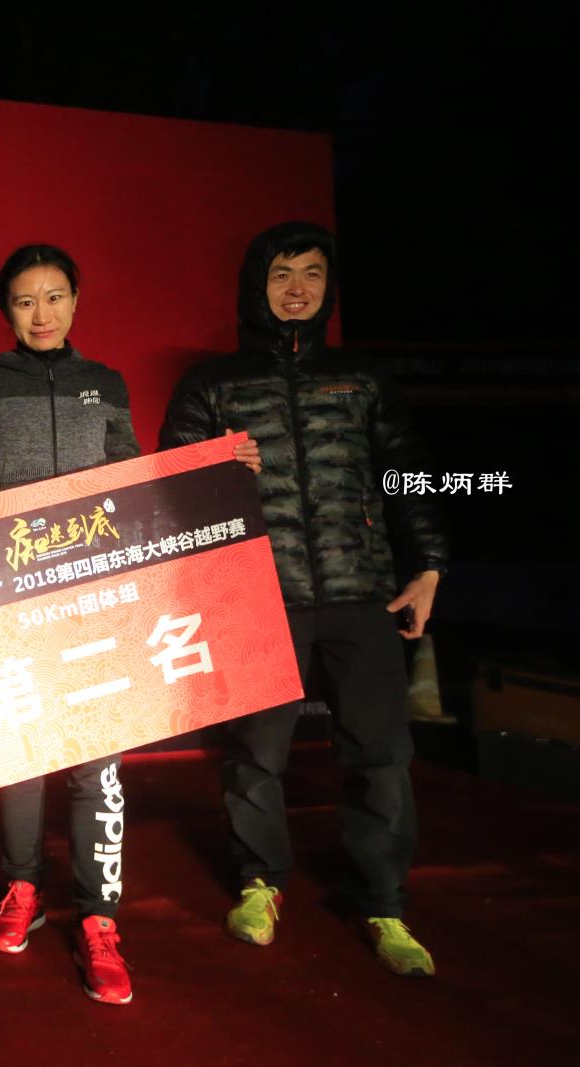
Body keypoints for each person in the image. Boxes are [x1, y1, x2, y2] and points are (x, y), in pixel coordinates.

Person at [160, 220, 448, 977]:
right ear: (256, 285)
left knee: (381, 755)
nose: (297, 289)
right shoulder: (212, 384)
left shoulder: (363, 378)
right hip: (261, 593)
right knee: (256, 755)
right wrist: (219, 467)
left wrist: (429, 566)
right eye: (282, 273)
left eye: (313, 274)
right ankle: (259, 883)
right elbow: (172, 486)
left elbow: (406, 472)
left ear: (328, 286)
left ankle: (383, 902)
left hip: (363, 592)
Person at [0, 244, 143, 1003]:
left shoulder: (105, 383)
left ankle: (100, 916)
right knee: (19, 748)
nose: (41, 313)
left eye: (54, 297)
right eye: (24, 300)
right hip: (10, 594)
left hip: (94, 596)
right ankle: (23, 887)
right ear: (5, 310)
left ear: (76, 301)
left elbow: (131, 474)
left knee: (95, 757)